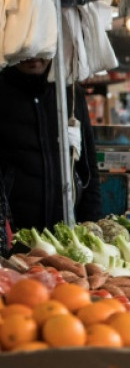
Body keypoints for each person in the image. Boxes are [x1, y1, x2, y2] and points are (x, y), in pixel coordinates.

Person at [0, 58, 101, 236]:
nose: (34, 58)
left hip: (67, 229)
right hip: (15, 232)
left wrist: (92, 221)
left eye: (41, 51)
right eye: (27, 52)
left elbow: (88, 165)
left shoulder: (70, 93)